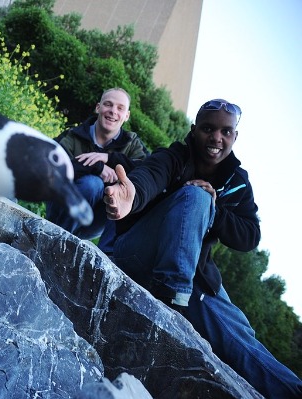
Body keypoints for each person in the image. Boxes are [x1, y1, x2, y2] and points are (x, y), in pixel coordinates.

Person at [104, 99, 302, 398]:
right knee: (195, 197)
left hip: (194, 274)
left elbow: (249, 235)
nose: (216, 138)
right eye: (208, 129)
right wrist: (130, 195)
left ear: (235, 136)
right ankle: (171, 307)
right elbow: (150, 176)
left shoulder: (237, 182)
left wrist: (217, 210)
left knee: (239, 334)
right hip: (137, 255)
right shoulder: (174, 156)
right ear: (194, 130)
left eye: (225, 131)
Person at [46, 88, 148, 242]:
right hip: (62, 209)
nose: (113, 111)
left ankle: (109, 254)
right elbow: (51, 166)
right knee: (92, 184)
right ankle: (56, 240)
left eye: (120, 108)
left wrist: (110, 158)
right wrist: (97, 167)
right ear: (98, 108)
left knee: (124, 198)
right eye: (108, 104)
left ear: (126, 116)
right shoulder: (74, 135)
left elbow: (145, 172)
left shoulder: (132, 144)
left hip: (97, 221)